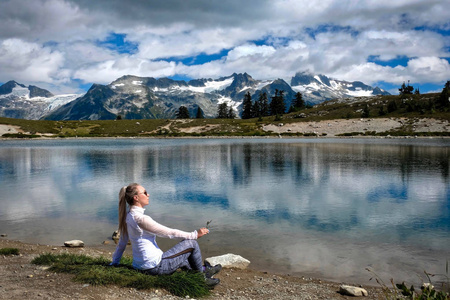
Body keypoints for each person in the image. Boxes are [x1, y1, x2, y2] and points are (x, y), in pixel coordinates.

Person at [111, 183, 221, 287]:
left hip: (140, 266)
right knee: (191, 244)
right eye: (145, 192)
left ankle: (204, 270)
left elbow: (122, 243)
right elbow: (169, 233)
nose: (148, 195)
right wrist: (195, 234)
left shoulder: (128, 217)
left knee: (183, 257)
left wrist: (114, 263)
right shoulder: (141, 219)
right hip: (154, 267)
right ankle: (201, 279)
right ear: (136, 198)